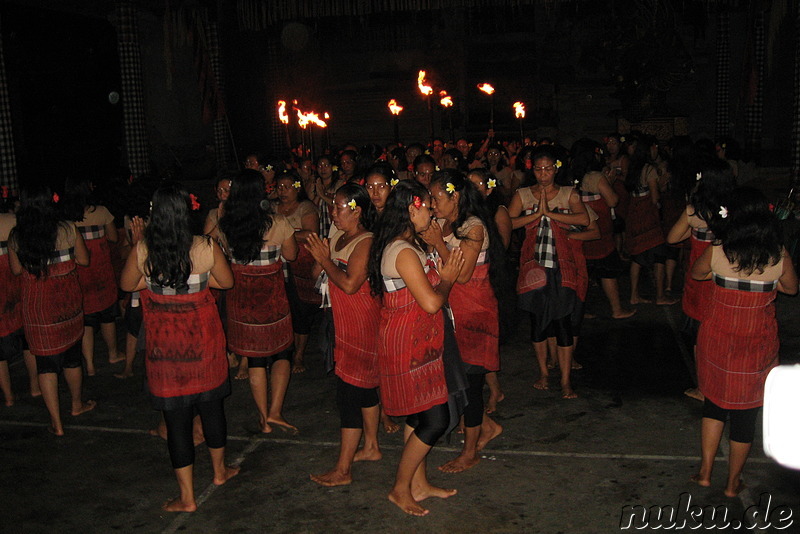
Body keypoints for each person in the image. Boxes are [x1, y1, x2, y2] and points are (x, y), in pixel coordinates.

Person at [120, 183, 239, 512]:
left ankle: (186, 497)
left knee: (176, 422)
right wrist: (199, 282)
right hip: (204, 346)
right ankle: (219, 471)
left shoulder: (145, 250)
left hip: (166, 352)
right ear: (187, 213)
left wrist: (153, 281)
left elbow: (128, 284)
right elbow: (226, 282)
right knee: (212, 409)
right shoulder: (204, 245)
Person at [690, 187, 797, 497]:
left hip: (718, 340)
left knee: (713, 404)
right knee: (745, 416)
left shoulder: (719, 249)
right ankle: (733, 484)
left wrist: (719, 277)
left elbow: (697, 275)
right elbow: (791, 289)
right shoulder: (778, 253)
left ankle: (706, 473)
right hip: (756, 345)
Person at [368, 180, 465, 516]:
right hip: (407, 343)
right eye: (428, 206)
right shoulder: (404, 251)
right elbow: (431, 302)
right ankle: (399, 487)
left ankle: (419, 485)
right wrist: (449, 277)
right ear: (412, 208)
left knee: (418, 412)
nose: (433, 211)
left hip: (417, 341)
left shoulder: (411, 245)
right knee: (436, 419)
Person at [423, 170, 504, 473]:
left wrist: (438, 244)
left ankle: (469, 452)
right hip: (452, 311)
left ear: (455, 196)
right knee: (457, 377)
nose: (433, 203)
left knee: (470, 383)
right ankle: (488, 426)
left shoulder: (474, 227)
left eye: (436, 197)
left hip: (474, 312)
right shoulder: (443, 224)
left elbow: (465, 274)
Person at [307, 183, 382, 486]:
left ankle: (343, 468)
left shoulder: (367, 242)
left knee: (350, 393)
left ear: (357, 210)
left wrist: (325, 260)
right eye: (334, 207)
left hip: (361, 322)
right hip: (340, 319)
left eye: (339, 207)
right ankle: (372, 447)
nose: (333, 212)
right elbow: (316, 273)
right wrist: (320, 256)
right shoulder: (339, 235)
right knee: (362, 389)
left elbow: (350, 284)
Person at [8, 185, 95, 435]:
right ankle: (76, 405)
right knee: (71, 357)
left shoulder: (17, 235)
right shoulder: (67, 228)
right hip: (67, 303)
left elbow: (16, 270)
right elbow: (85, 260)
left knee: (45, 365)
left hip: (38, 307)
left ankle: (56, 424)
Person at [219, 170, 299, 435]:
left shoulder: (226, 223)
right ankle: (275, 411)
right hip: (271, 298)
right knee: (282, 352)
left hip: (241, 301)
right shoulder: (276, 222)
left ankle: (264, 418)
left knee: (255, 360)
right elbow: (291, 254)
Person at [508, 147, 591, 398]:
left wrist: (549, 213)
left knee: (563, 321)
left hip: (562, 266)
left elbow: (585, 220)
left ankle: (566, 380)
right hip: (534, 267)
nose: (543, 174)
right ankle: (543, 373)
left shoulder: (568, 194)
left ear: (556, 169)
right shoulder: (523, 194)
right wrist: (536, 214)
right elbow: (508, 222)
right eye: (539, 169)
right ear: (532, 170)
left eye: (548, 169)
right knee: (537, 322)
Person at [667, 157, 736, 402]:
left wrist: (691, 228)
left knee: (700, 338)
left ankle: (704, 388)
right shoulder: (736, 209)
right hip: (729, 279)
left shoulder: (694, 211)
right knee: (727, 335)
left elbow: (672, 239)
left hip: (701, 279)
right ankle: (729, 383)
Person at [61, 177, 121, 375]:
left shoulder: (65, 217)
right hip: (101, 271)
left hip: (78, 274)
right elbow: (113, 238)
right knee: (107, 315)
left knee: (86, 319)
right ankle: (112, 354)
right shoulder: (101, 212)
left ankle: (90, 365)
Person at [569, 139, 634, 319]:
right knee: (607, 271)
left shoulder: (570, 175)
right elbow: (613, 200)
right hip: (599, 230)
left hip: (580, 230)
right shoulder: (596, 177)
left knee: (582, 272)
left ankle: (582, 311)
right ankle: (617, 309)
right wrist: (610, 182)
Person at [467, 168, 512, 413]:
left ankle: (495, 390)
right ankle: (490, 388)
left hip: (491, 280)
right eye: (468, 184)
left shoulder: (497, 211)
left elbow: (501, 250)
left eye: (478, 184)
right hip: (471, 284)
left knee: (485, 341)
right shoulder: (465, 215)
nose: (473, 189)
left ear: (489, 188)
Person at [275, 173, 321, 373]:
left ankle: (299, 354)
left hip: (299, 266)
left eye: (287, 187)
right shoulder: (272, 207)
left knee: (300, 311)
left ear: (297, 188)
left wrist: (285, 234)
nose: (283, 191)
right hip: (277, 265)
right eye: (280, 187)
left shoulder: (306, 207)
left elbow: (311, 234)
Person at [624, 136, 676, 305]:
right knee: (660, 256)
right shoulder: (649, 169)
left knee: (637, 256)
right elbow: (654, 197)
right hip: (648, 217)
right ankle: (660, 296)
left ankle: (633, 295)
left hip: (635, 215)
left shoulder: (633, 167)